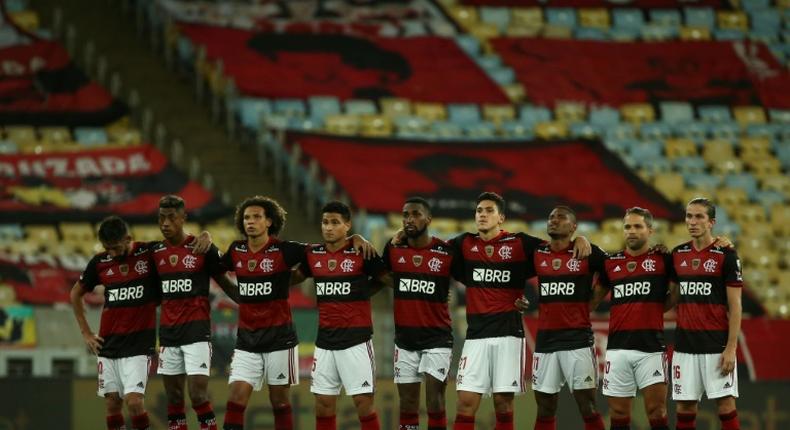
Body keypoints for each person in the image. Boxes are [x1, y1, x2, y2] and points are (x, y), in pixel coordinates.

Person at [221, 196, 375, 430]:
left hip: (280, 339)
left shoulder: (286, 250)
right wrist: (233, 290)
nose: (250, 222)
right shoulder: (236, 250)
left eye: (256, 217)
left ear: (269, 221)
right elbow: (212, 266)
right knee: (236, 397)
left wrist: (354, 238)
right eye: (246, 218)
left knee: (280, 401)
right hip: (247, 340)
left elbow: (324, 251)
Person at [449, 192, 591, 430]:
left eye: (489, 211)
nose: (482, 215)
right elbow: (430, 251)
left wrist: (580, 239)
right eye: (479, 211)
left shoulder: (520, 243)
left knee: (503, 405)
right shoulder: (463, 243)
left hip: (508, 335)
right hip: (476, 336)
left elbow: (557, 248)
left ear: (501, 217)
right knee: (465, 403)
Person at [294, 201, 389, 430]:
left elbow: (386, 278)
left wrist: (364, 291)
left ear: (347, 225)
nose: (328, 227)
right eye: (325, 222)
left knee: (363, 404)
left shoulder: (362, 252)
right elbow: (295, 276)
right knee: (323, 405)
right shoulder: (312, 254)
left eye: (335, 222)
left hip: (356, 340)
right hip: (325, 341)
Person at [152, 195, 238, 430]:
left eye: (171, 218)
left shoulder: (201, 248)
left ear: (183, 218)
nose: (165, 223)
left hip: (197, 333)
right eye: (161, 218)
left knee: (198, 396)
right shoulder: (154, 253)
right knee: (174, 399)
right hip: (168, 335)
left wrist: (251, 301)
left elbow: (227, 283)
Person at [70, 216, 159, 430]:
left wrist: (204, 235)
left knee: (135, 402)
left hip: (138, 343)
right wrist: (86, 333)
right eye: (108, 248)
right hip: (108, 343)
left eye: (117, 248)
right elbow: (75, 293)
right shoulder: (100, 263)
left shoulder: (148, 253)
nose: (112, 253)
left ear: (128, 238)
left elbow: (178, 246)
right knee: (112, 404)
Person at [524, 206, 607, 430]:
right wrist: (517, 298)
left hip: (577, 340)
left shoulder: (587, 251)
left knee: (587, 406)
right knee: (544, 408)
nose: (554, 220)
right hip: (545, 341)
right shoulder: (538, 252)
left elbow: (610, 271)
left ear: (573, 226)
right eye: (551, 217)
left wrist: (593, 301)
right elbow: (512, 271)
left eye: (561, 217)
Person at [382, 197, 459, 430]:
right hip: (404, 340)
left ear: (429, 219)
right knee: (407, 404)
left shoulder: (446, 252)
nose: (409, 219)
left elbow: (474, 278)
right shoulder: (394, 248)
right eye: (406, 215)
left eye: (415, 214)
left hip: (437, 338)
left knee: (434, 402)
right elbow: (378, 275)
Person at [594, 207, 673, 430]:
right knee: (618, 415)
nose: (631, 231)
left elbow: (676, 293)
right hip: (618, 349)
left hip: (651, 349)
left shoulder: (663, 260)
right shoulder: (611, 263)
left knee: (657, 413)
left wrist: (655, 308)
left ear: (650, 230)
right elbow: (593, 300)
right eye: (628, 226)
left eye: (638, 226)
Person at [670, 198, 743, 430]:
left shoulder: (727, 255)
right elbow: (671, 294)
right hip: (684, 346)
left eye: (699, 216)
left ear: (711, 222)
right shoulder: (677, 254)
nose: (692, 222)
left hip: (716, 345)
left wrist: (731, 348)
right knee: (685, 409)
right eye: (689, 216)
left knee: (725, 407)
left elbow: (736, 305)